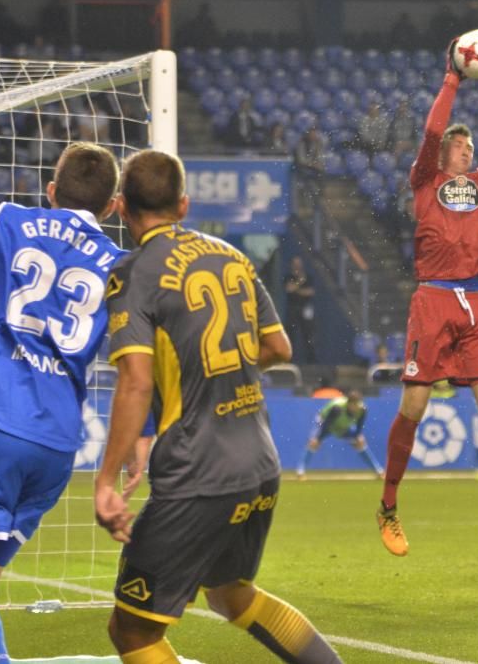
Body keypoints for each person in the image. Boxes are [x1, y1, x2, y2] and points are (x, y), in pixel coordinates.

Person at [94, 150, 342, 663]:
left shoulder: (132, 273)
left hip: (196, 472)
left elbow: (135, 384)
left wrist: (105, 481)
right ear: (184, 205)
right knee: (230, 595)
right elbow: (278, 349)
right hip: (257, 463)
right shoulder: (232, 255)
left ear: (121, 208)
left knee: (132, 633)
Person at [0, 143, 128, 664]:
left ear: (51, 192)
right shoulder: (122, 263)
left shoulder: (8, 218)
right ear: (113, 206)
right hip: (59, 441)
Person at [375, 35, 478, 557]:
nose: (469, 149)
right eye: (461, 146)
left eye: (470, 147)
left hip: (476, 303)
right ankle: (389, 507)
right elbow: (434, 127)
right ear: (444, 153)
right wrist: (453, 78)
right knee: (415, 403)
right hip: (434, 299)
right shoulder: (425, 179)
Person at [297, 391, 384, 479]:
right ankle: (300, 471)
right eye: (354, 405)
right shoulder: (337, 408)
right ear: (349, 404)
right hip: (324, 422)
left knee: (360, 442)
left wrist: (357, 436)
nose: (356, 408)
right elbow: (327, 424)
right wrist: (318, 438)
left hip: (343, 426)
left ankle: (379, 471)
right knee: (313, 443)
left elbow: (359, 427)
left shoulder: (362, 410)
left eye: (357, 405)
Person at [284, 256, 316, 363]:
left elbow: (310, 292)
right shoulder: (289, 277)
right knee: (290, 335)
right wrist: (300, 283)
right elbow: (289, 288)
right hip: (292, 309)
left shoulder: (308, 277)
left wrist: (296, 289)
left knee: (308, 335)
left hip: (305, 309)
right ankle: (289, 360)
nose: (297, 266)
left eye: (299, 263)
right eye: (295, 263)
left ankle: (311, 361)